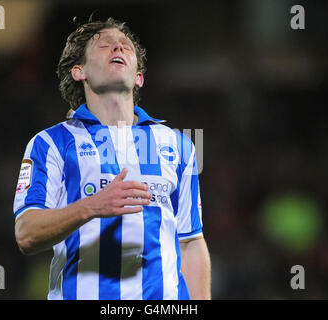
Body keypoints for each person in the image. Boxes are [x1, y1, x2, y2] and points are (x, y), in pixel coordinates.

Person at [13, 16, 211, 300]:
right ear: (79, 71)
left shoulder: (178, 145)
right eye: (105, 45)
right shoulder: (51, 144)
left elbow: (190, 241)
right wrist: (92, 207)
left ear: (138, 77)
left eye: (125, 46)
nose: (117, 48)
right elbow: (26, 234)